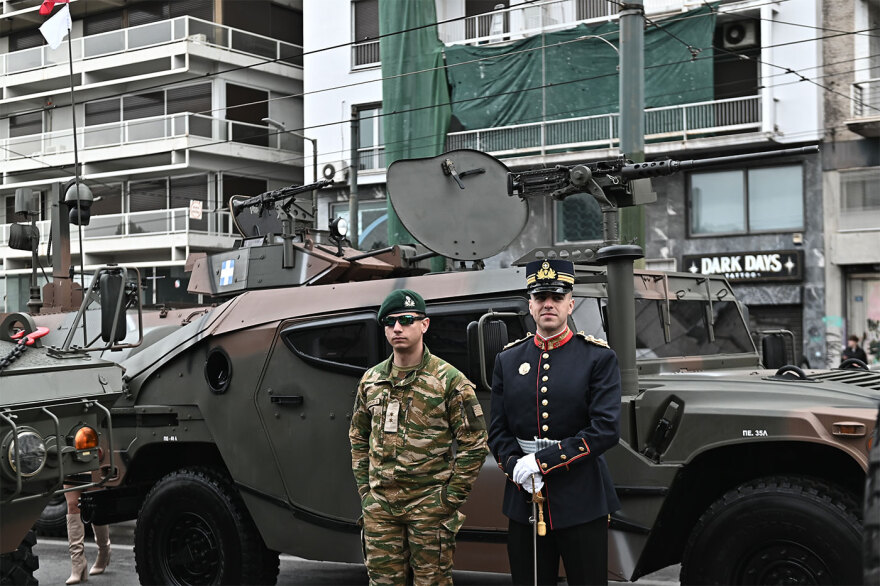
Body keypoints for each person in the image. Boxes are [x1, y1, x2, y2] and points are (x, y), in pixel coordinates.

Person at [488, 259, 622, 585]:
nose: (548, 303)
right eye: (540, 297)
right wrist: (515, 465)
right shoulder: (508, 360)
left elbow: (605, 429)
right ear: (530, 304)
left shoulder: (598, 358)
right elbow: (497, 429)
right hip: (525, 500)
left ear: (570, 303)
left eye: (557, 297)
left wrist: (542, 462)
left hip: (581, 498)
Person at [349, 289, 489, 585]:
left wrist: (449, 499)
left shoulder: (449, 381)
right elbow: (358, 436)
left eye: (406, 320)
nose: (397, 328)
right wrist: (366, 490)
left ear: (424, 325)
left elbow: (474, 443)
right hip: (380, 506)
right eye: (390, 323)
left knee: (432, 582)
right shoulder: (372, 380)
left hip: (429, 505)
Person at [64, 483, 111, 584]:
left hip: (93, 468)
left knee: (95, 503)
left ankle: (104, 551)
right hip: (71, 467)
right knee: (72, 504)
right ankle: (78, 563)